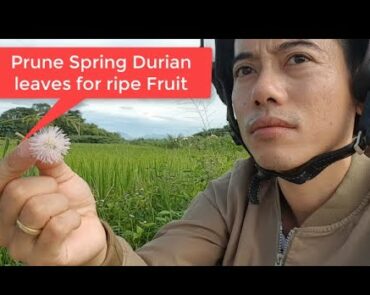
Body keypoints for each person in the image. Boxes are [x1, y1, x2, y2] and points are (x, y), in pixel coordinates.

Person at [1, 39, 370, 266]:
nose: (263, 89)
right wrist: (98, 254)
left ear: (360, 91)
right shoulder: (234, 195)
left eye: (299, 58)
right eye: (244, 69)